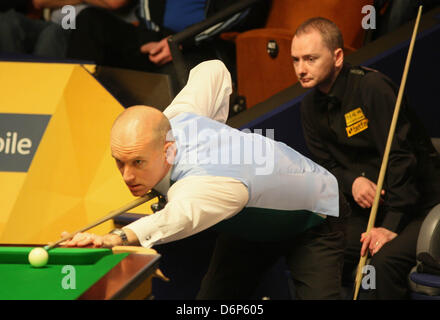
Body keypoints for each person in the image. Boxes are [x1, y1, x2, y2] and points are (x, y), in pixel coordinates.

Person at [63, 59, 349, 299]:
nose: (127, 175)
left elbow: (176, 218)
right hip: (250, 225)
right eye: (119, 162)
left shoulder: (206, 185)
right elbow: (213, 70)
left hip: (313, 217)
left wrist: (112, 239)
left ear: (169, 150)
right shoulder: (178, 117)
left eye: (138, 162)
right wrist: (215, 128)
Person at [291, 17, 440, 299]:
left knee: (382, 264)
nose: (301, 69)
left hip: (420, 204)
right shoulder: (309, 106)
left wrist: (390, 226)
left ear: (337, 57)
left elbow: (401, 160)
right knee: (316, 251)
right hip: (370, 209)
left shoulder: (372, 88)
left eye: (310, 59)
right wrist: (353, 182)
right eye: (295, 60)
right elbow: (326, 166)